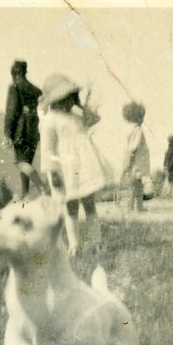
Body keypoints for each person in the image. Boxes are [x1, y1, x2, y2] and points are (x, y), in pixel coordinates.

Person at [39, 74, 112, 256]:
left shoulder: (75, 116)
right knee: (70, 207)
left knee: (89, 204)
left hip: (84, 167)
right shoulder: (50, 120)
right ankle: (74, 245)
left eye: (71, 97)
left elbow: (94, 119)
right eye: (65, 98)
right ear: (55, 100)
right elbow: (48, 151)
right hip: (66, 170)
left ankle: (96, 243)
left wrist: (79, 105)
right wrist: (53, 173)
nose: (68, 102)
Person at [4, 60, 46, 199]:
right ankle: (26, 194)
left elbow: (12, 111)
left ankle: (41, 188)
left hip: (21, 131)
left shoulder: (15, 87)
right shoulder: (37, 90)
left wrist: (8, 134)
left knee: (21, 163)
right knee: (27, 162)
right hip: (34, 132)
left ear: (15, 73)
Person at [121, 102, 150, 212]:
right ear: (137, 117)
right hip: (136, 163)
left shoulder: (129, 129)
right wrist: (130, 163)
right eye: (141, 117)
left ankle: (135, 207)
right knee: (135, 186)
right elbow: (133, 148)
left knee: (136, 185)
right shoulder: (137, 130)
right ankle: (134, 207)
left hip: (134, 162)